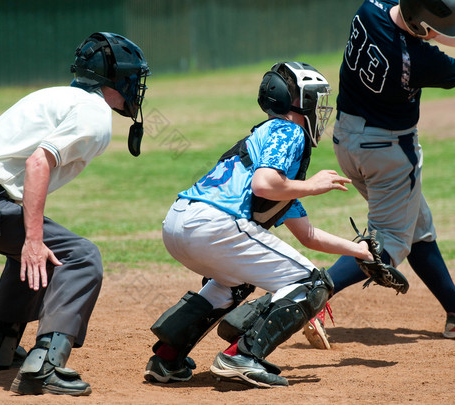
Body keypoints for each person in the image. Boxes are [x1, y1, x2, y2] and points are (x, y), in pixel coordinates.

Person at [303, 0, 455, 349]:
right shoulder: (416, 60)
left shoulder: (372, 7)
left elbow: (439, 28)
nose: (437, 35)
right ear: (419, 26)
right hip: (388, 152)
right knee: (393, 242)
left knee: (417, 227)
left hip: (347, 138)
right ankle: (309, 297)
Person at [0, 32, 150, 396]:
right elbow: (37, 162)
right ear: (120, 79)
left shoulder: (52, 94)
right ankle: (46, 364)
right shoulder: (95, 114)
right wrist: (33, 239)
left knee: (31, 255)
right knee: (79, 255)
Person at [142, 61, 379, 389]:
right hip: (214, 224)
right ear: (294, 102)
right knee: (312, 285)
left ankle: (167, 358)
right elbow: (265, 185)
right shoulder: (287, 130)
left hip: (180, 221)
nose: (321, 108)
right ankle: (241, 356)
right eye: (314, 99)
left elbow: (307, 235)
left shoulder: (266, 147)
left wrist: (361, 252)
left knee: (232, 284)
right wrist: (314, 185)